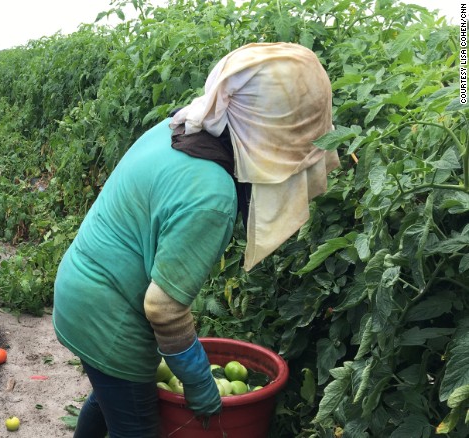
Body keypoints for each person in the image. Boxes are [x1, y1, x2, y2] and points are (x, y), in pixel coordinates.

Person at [52, 42, 341, 437]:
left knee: (109, 399)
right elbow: (163, 308)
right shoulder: (212, 197)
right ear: (272, 134)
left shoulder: (178, 126)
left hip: (81, 289)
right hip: (110, 318)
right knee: (135, 426)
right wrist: (198, 380)